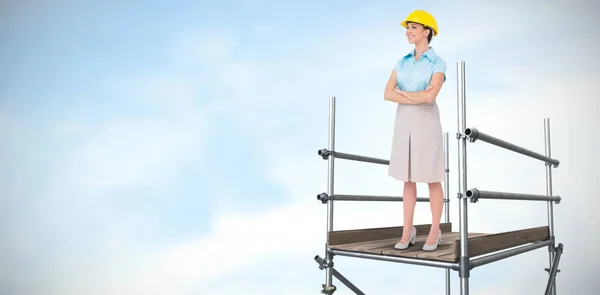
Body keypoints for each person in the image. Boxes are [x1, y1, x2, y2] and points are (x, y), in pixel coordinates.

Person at [383, 10, 446, 251]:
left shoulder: (438, 63)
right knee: (407, 179)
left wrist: (403, 94)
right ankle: (408, 230)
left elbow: (430, 97)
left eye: (414, 27)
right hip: (403, 123)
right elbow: (387, 93)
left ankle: (434, 230)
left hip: (426, 122)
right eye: (407, 28)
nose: (408, 31)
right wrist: (416, 96)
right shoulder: (401, 62)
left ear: (427, 32)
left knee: (431, 177)